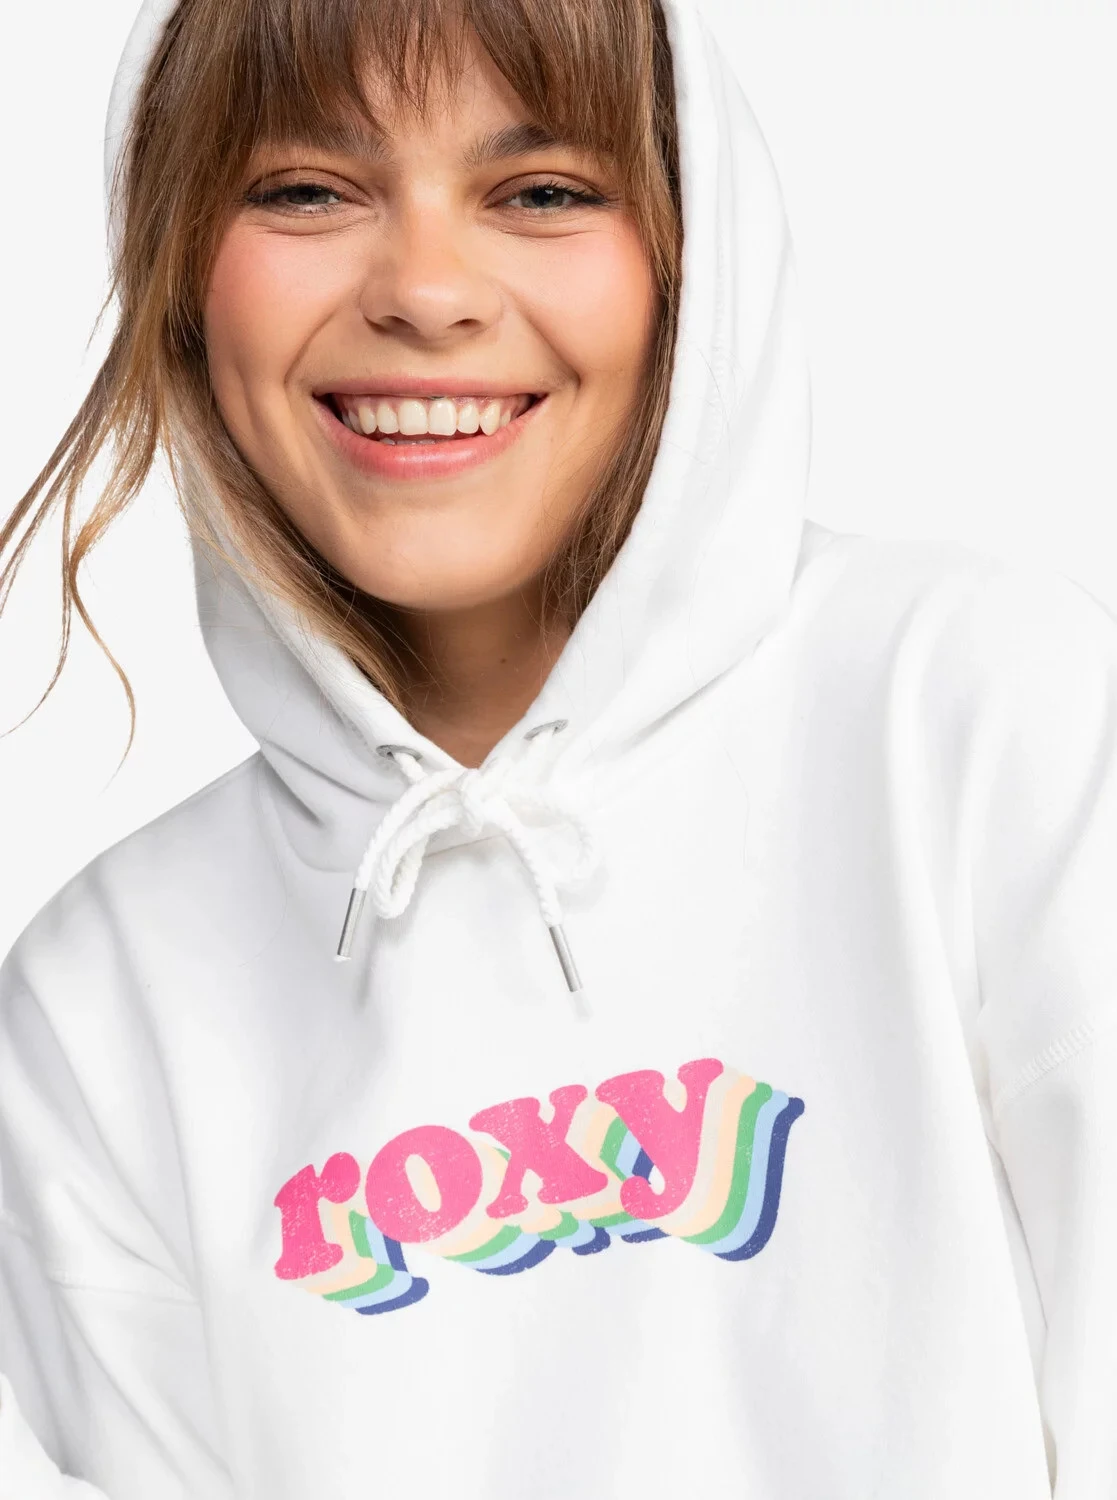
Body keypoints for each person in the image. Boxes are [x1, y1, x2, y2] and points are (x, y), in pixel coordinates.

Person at [1, 0, 1115, 1494]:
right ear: (181, 281)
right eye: (308, 191)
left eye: (540, 192)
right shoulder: (100, 1004)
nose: (427, 291)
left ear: (694, 251)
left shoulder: (984, 720)